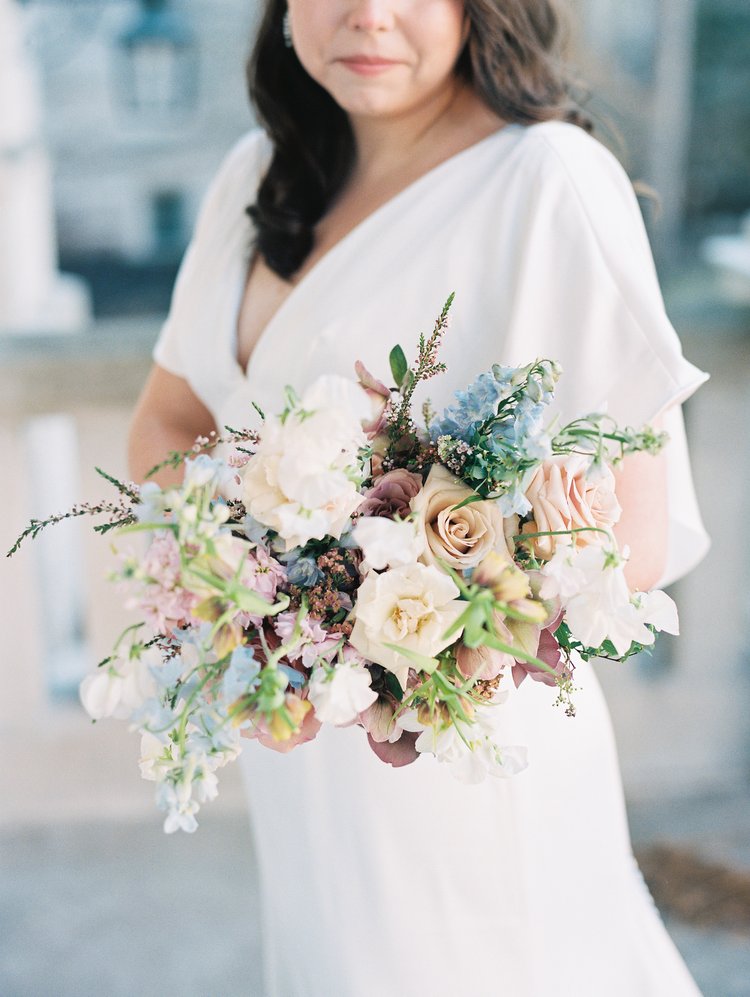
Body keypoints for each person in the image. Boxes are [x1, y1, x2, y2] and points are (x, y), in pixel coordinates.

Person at [129, 2, 709, 994]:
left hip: (466, 750)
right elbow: (165, 425)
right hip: (295, 731)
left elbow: (638, 531)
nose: (369, 14)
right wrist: (265, 583)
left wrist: (399, 609)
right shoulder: (252, 181)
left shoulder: (548, 181)